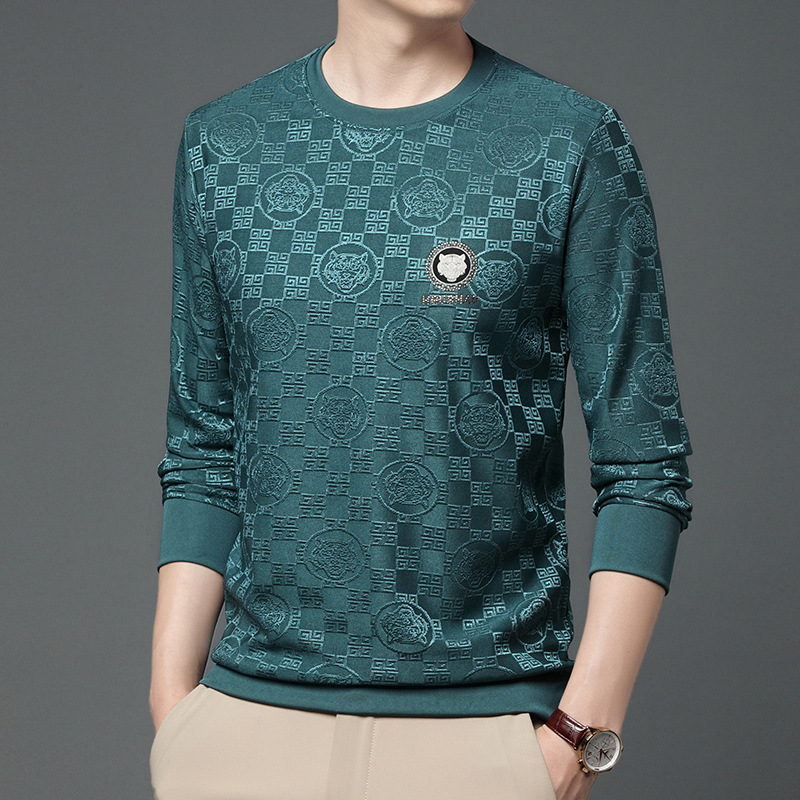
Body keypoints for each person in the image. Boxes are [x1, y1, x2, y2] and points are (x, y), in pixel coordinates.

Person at [149, 1, 694, 798]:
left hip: (485, 736)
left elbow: (645, 464)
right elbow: (205, 444)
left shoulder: (568, 140)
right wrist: (172, 705)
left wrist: (578, 732)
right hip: (244, 733)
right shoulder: (224, 143)